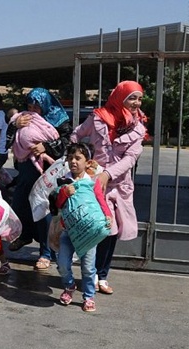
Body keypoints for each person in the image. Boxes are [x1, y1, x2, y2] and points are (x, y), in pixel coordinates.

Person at [71, 80, 147, 295]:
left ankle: (102, 275)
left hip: (117, 187)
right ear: (119, 97)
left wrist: (108, 173)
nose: (136, 102)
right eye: (132, 97)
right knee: (94, 228)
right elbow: (77, 135)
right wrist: (83, 159)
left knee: (110, 231)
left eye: (139, 98)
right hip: (92, 184)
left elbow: (130, 158)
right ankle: (90, 272)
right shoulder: (97, 118)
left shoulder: (138, 127)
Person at [6, 88, 71, 271]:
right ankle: (26, 234)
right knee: (19, 203)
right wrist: (15, 125)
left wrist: (46, 146)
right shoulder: (24, 117)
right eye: (29, 104)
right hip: (27, 168)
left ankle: (46, 252)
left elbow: (67, 142)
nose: (33, 108)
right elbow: (8, 139)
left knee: (43, 210)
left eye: (37, 105)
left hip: (47, 170)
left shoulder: (59, 119)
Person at [53, 142, 112, 312]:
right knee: (62, 264)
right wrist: (64, 193)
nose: (73, 161)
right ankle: (69, 286)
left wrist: (108, 215)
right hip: (68, 232)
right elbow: (58, 204)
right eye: (70, 158)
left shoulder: (91, 183)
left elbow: (101, 201)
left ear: (88, 163)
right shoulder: (64, 181)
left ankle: (88, 296)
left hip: (87, 233)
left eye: (78, 158)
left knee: (88, 268)